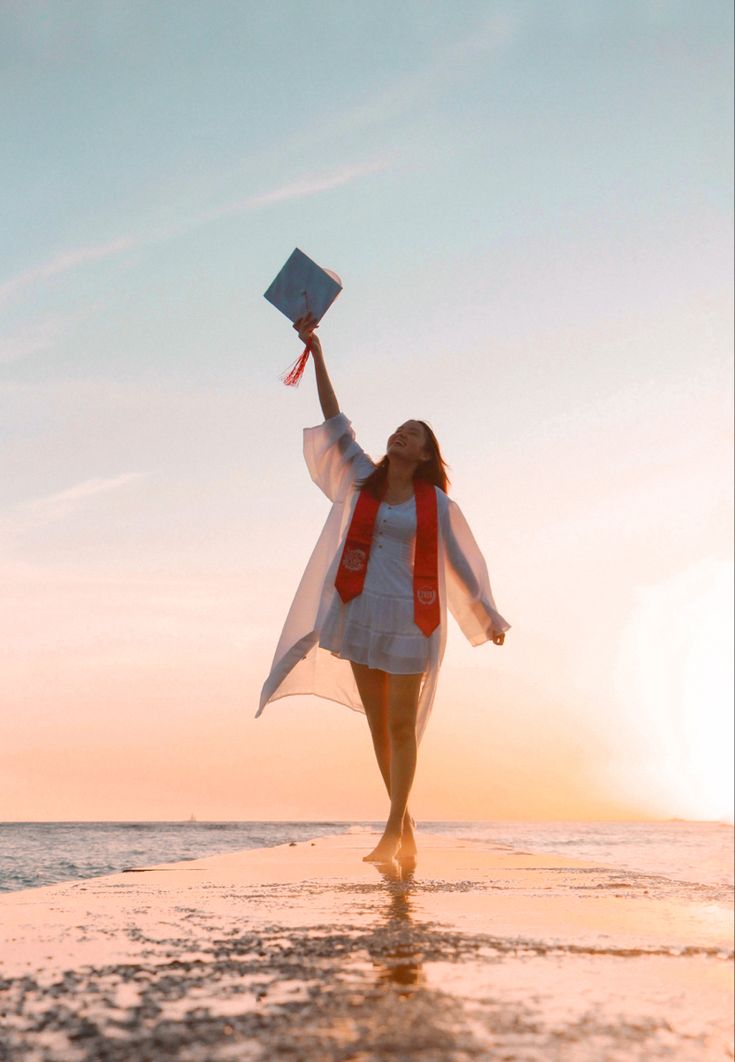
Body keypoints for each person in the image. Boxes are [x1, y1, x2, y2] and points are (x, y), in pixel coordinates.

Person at [256, 312, 511, 864]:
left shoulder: (436, 504)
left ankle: (393, 830)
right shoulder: (361, 479)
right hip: (361, 612)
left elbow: (461, 565)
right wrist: (316, 351)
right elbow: (333, 415)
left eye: (413, 434)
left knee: (403, 724)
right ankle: (404, 826)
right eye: (400, 429)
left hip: (412, 620)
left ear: (425, 455)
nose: (401, 434)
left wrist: (488, 615)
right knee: (378, 729)